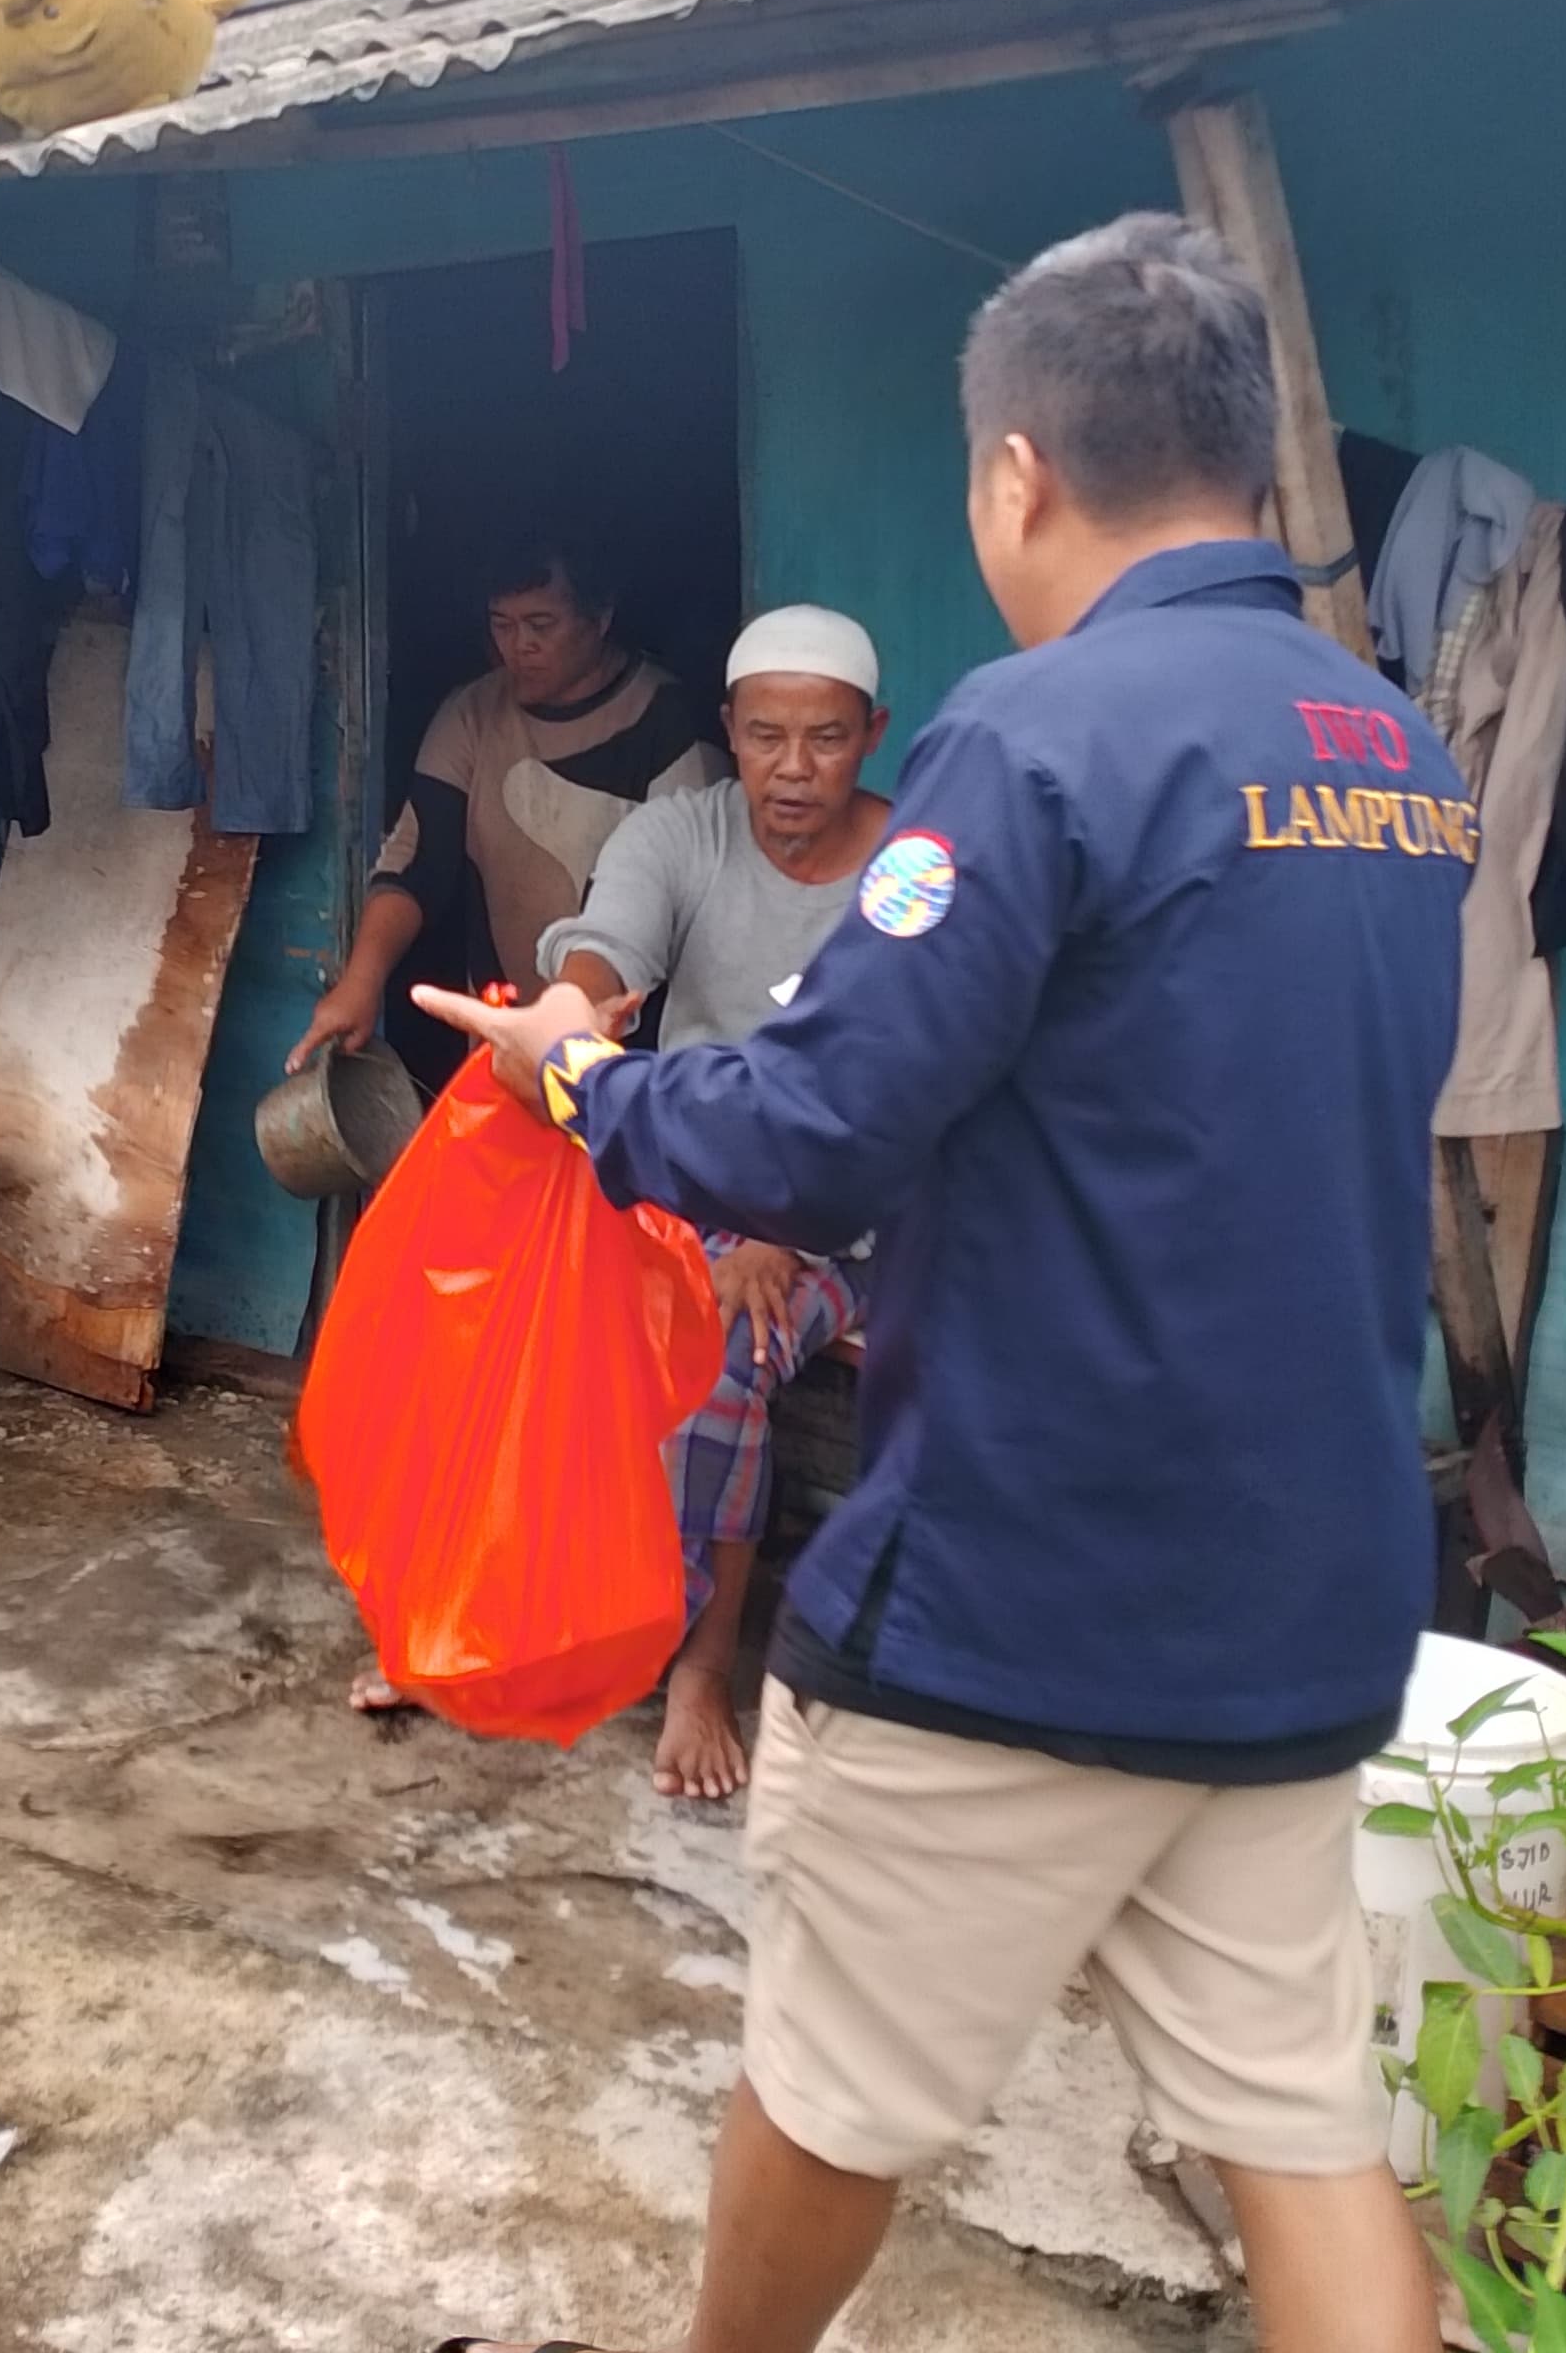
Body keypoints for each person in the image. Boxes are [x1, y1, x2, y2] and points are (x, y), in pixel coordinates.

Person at [424, 211, 1466, 2353]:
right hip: (1310, 1586)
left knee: (828, 2088)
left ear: (1016, 476)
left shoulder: (1038, 737)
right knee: (1305, 2136)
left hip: (1031, 1586)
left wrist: (582, 1085)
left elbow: (814, 1128)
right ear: (1252, 463)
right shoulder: (1389, 751)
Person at [537, 604, 892, 1804]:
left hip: (853, 1220)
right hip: (694, 1192)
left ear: (873, 735)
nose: (794, 770)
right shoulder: (678, 834)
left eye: (828, 739)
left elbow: (901, 1087)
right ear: (729, 733)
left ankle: (698, 1662)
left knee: (721, 1345)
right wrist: (577, 1017)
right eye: (767, 737)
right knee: (515, 1299)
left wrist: (784, 1235)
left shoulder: (915, 876)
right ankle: (493, 1621)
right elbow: (604, 949)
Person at [288, 533, 724, 1075]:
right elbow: (418, 860)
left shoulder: (666, 722)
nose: (519, 646)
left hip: (637, 1053)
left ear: (601, 617)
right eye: (502, 624)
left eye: (541, 626)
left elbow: (697, 899)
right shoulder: (472, 713)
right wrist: (361, 980)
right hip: (507, 1044)